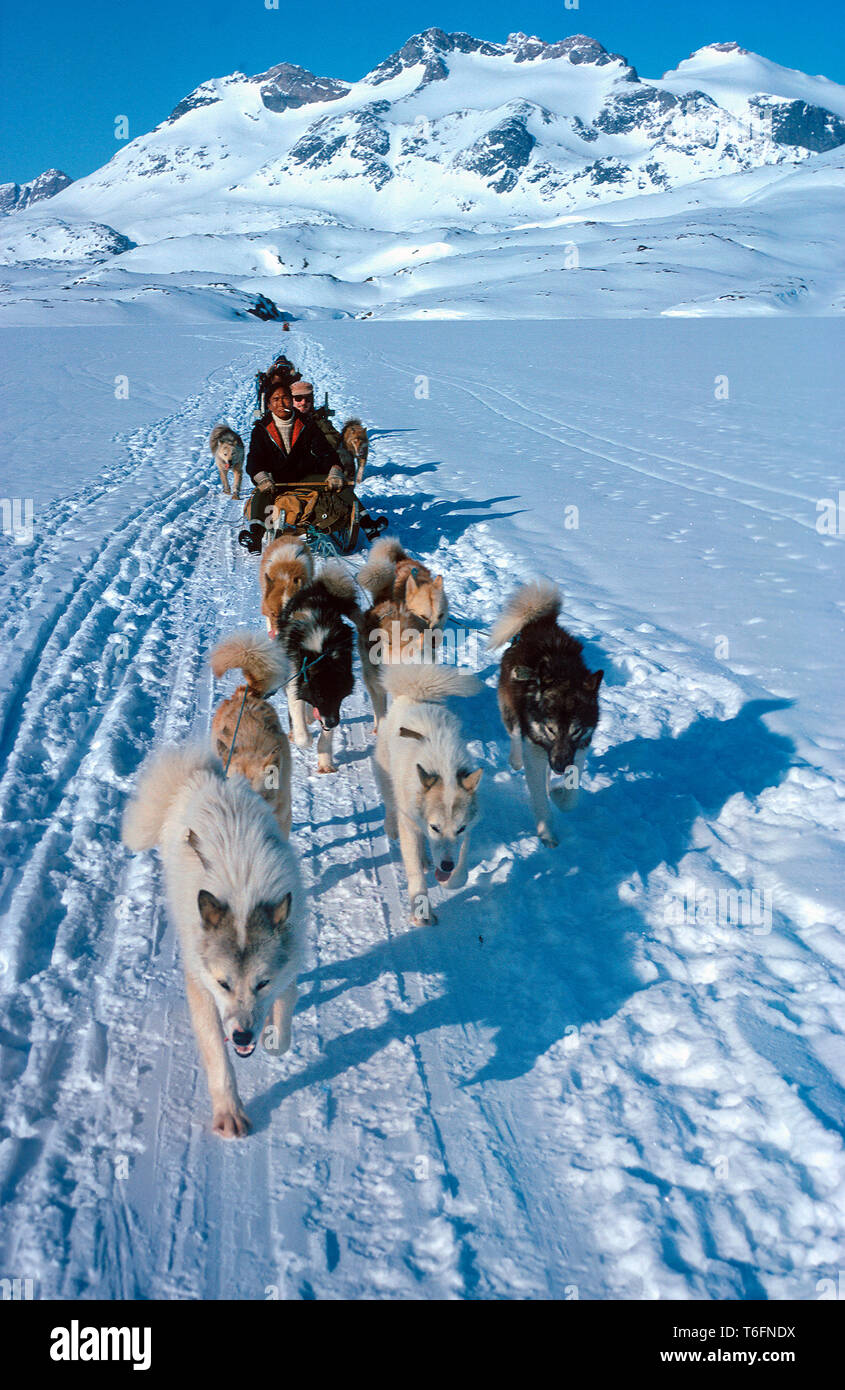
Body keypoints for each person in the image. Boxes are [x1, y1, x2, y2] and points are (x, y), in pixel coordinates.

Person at [238, 379, 345, 554]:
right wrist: (261, 477)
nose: (281, 403)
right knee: (261, 493)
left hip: (306, 476)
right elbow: (254, 458)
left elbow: (324, 450)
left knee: (338, 484)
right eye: (276, 399)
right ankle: (255, 536)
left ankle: (365, 521)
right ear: (269, 405)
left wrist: (334, 468)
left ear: (291, 400)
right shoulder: (261, 429)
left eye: (286, 398)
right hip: (276, 479)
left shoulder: (307, 424)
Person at [290, 381, 388, 541]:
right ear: (291, 399)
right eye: (298, 398)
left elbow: (334, 440)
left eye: (307, 399)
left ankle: (366, 523)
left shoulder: (318, 421)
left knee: (341, 468)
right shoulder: (284, 420)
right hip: (292, 471)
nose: (303, 403)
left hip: (317, 468)